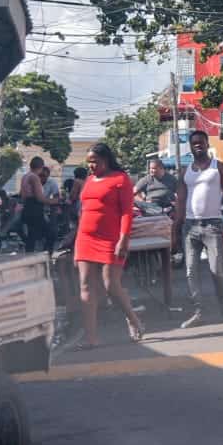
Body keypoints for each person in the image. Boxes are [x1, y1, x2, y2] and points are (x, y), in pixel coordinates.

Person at [73, 143, 143, 348]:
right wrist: (76, 239)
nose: (91, 166)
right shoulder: (88, 180)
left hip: (111, 239)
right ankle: (91, 338)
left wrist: (124, 238)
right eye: (89, 163)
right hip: (85, 238)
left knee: (110, 285)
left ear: (106, 160)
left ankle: (133, 319)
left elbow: (127, 212)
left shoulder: (120, 180)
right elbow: (84, 210)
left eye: (94, 162)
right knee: (85, 285)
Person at [175, 130, 223, 328]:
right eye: (194, 143)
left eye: (201, 142)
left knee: (217, 270)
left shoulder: (220, 168)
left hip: (213, 225)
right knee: (191, 271)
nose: (197, 145)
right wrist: (176, 226)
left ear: (207, 144)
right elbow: (180, 201)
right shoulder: (186, 171)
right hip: (190, 227)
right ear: (190, 147)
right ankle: (199, 311)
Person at [19, 156, 50, 253]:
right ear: (41, 167)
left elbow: (21, 194)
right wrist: (56, 201)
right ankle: (46, 255)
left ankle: (30, 257)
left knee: (31, 236)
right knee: (50, 233)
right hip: (34, 208)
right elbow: (39, 197)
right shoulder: (34, 177)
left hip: (27, 207)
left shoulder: (25, 176)